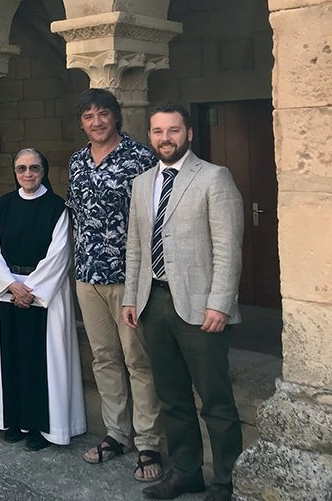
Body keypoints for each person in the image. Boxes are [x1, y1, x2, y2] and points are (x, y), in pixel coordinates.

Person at [123, 104, 243, 501]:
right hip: (153, 303)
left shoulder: (213, 178)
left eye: (173, 130)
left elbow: (228, 248)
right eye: (158, 131)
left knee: (215, 399)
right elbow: (136, 248)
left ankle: (227, 481)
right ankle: (187, 472)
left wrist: (220, 303)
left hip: (200, 306)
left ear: (188, 134)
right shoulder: (142, 183)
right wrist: (131, 296)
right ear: (151, 135)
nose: (165, 138)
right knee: (172, 396)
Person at [67, 89, 164, 481]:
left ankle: (148, 443)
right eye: (89, 116)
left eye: (103, 114)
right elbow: (74, 215)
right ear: (82, 122)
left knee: (138, 360)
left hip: (128, 276)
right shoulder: (76, 161)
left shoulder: (140, 158)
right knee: (104, 358)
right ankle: (116, 433)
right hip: (88, 275)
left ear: (116, 117)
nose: (96, 122)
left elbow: (153, 217)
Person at [0, 148, 86, 451]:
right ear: (14, 173)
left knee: (41, 361)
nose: (28, 174)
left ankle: (41, 426)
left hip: (44, 297)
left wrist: (31, 290)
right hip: (9, 293)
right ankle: (14, 420)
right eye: (21, 169)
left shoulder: (57, 208)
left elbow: (60, 254)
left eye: (34, 168)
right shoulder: (3, 206)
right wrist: (11, 287)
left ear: (44, 171)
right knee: (11, 357)